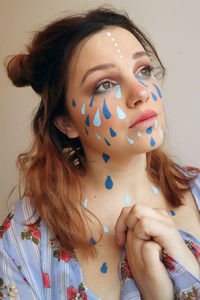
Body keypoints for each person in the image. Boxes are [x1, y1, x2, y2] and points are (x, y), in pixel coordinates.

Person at [0, 6, 200, 300]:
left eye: (143, 70)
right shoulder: (22, 244)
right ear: (66, 123)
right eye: (105, 84)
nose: (141, 92)